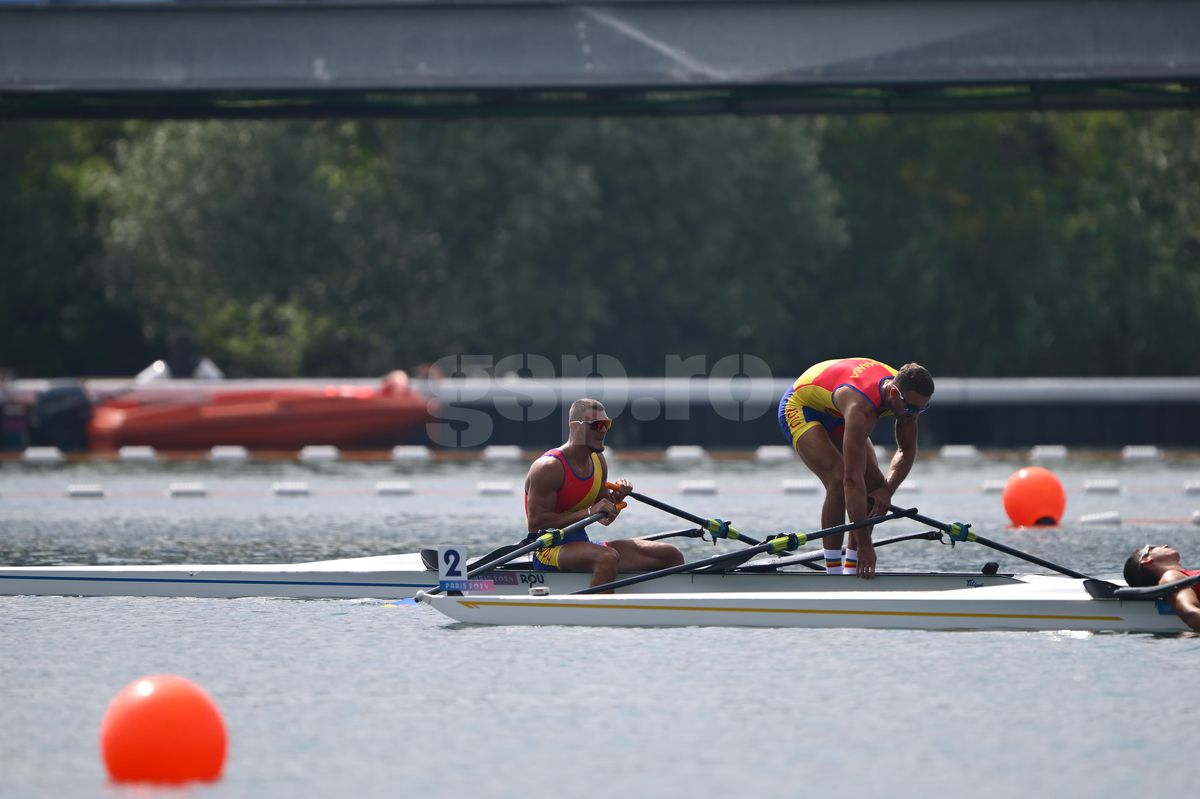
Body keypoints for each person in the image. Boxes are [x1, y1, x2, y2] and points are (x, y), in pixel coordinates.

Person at [778, 358, 934, 578]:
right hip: (801, 405)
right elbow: (851, 480)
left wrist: (886, 490)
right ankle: (833, 571)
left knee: (876, 484)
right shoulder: (861, 407)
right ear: (893, 394)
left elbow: (907, 451)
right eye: (910, 408)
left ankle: (852, 569)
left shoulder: (907, 398)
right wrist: (865, 544)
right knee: (839, 477)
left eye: (922, 409)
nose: (914, 415)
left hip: (837, 409)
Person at [524, 398, 684, 588]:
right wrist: (590, 512)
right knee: (607, 557)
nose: (603, 430)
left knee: (670, 555)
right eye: (597, 425)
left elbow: (605, 519)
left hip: (582, 544)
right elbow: (536, 523)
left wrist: (616, 500)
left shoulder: (599, 462)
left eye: (606, 424)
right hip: (547, 550)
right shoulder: (549, 467)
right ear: (575, 427)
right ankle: (597, 610)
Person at [1123, 544, 1200, 631]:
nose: (1165, 545)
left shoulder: (1187, 576)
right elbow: (1191, 614)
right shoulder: (1171, 577)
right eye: (1152, 547)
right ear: (1146, 559)